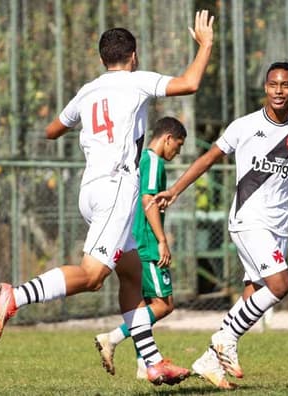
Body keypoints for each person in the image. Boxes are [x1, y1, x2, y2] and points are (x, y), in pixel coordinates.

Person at [0, 10, 214, 387]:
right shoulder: (137, 81)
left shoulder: (88, 90)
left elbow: (51, 130)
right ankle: (17, 296)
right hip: (116, 189)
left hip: (90, 188)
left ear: (101, 59)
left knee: (132, 273)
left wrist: (76, 123)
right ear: (134, 55)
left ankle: (152, 362)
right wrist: (205, 45)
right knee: (93, 276)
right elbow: (190, 83)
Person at [152, 61, 288, 389]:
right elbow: (208, 159)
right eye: (274, 84)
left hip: (278, 225)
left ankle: (210, 357)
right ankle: (225, 340)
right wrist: (176, 190)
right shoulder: (244, 126)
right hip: (248, 220)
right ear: (265, 88)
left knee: (255, 295)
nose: (279, 90)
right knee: (280, 285)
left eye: (286, 85)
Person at [94, 116, 186, 380]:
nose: (177, 152)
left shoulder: (140, 159)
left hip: (131, 240)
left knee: (143, 303)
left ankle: (142, 364)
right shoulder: (154, 162)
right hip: (146, 242)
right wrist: (162, 240)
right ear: (167, 138)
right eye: (177, 146)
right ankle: (111, 338)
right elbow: (148, 200)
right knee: (164, 304)